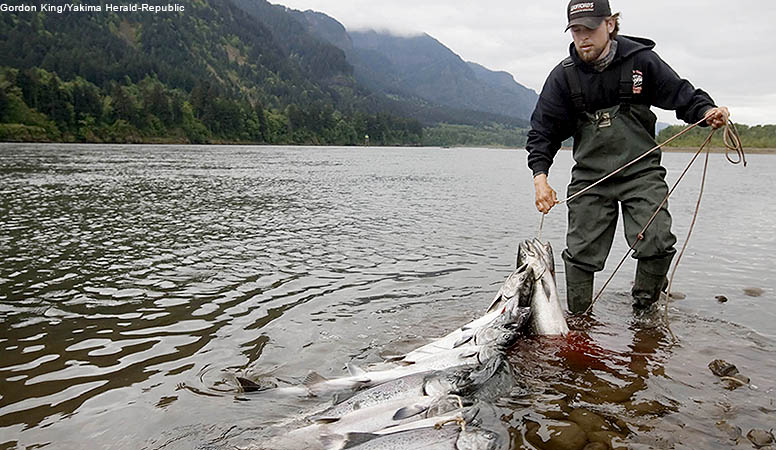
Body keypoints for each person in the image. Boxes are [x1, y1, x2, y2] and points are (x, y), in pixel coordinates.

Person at [526, 0, 730, 315]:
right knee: (580, 253)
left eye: (590, 29)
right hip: (591, 178)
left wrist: (707, 112)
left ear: (610, 24)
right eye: (576, 30)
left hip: (642, 174)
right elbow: (542, 131)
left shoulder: (642, 63)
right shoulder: (563, 77)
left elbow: (681, 94)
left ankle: (645, 313)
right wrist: (540, 178)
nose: (583, 38)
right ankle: (579, 319)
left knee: (657, 240)